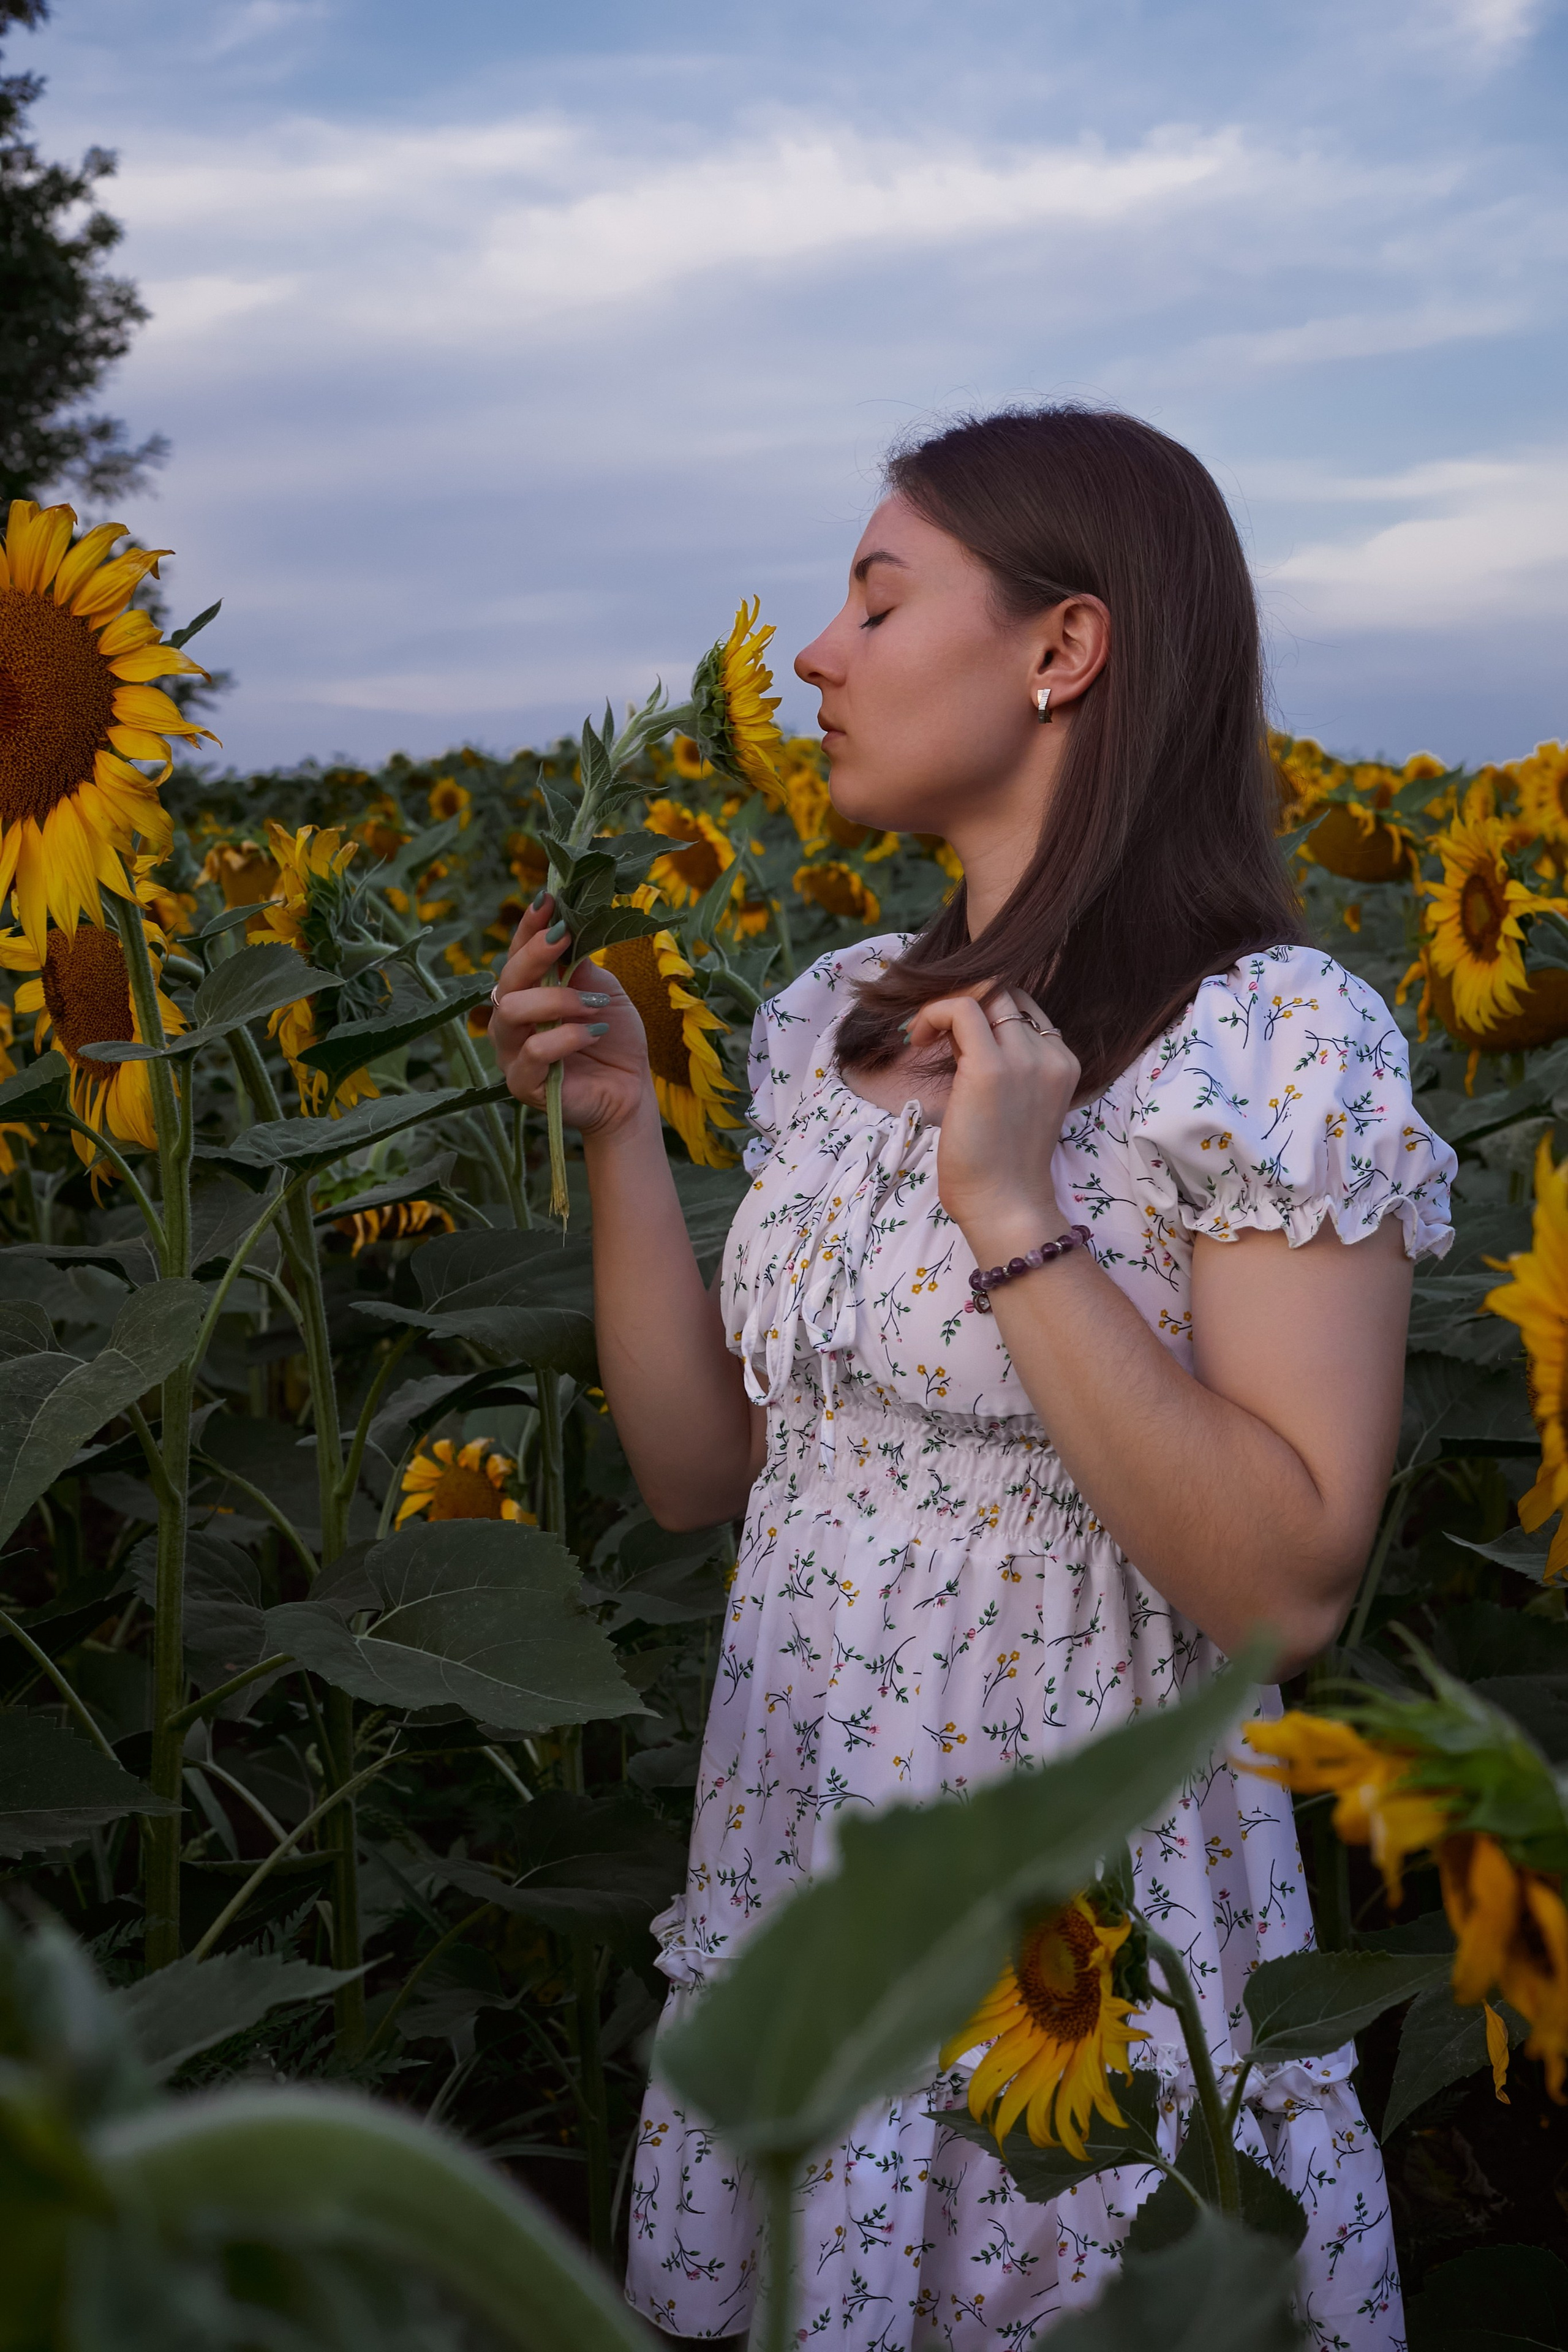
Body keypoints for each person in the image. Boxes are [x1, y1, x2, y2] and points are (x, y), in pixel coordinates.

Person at [488, 405, 1457, 2350]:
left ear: (1062, 649)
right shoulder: (822, 1019)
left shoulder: (1267, 1044)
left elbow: (1282, 1589)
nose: (815, 659)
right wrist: (614, 1135)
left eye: (874, 595)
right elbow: (706, 1475)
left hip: (1071, 1950)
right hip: (807, 1862)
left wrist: (1018, 1216)